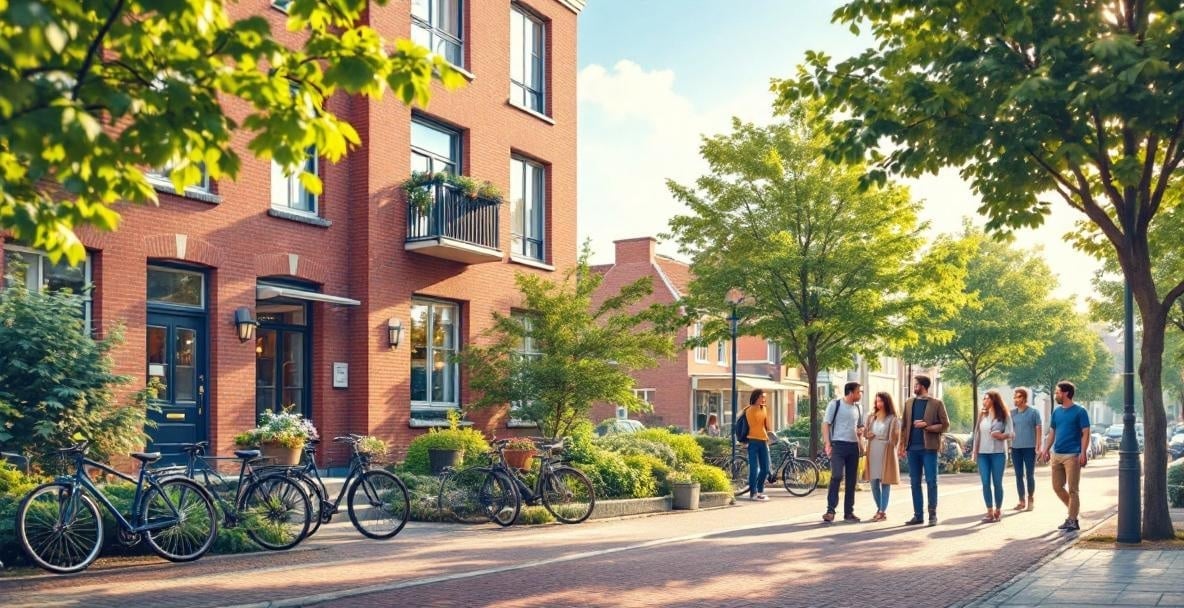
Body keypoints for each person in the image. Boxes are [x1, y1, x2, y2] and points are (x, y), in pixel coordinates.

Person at [1039, 380, 1090, 532]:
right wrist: (1046, 449)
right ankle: (1073, 512)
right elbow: (1052, 432)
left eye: (1057, 392)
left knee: (1073, 489)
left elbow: (1086, 432)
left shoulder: (1080, 411)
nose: (1056, 394)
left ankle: (1072, 519)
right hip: (1057, 454)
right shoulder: (1057, 412)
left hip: (1072, 455)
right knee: (1057, 487)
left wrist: (1083, 452)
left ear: (1066, 393)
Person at [899, 374, 950, 526]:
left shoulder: (936, 403)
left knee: (931, 481)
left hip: (929, 448)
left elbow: (945, 424)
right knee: (914, 482)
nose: (914, 387)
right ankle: (918, 515)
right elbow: (903, 426)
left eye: (915, 385)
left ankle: (932, 515)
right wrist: (901, 445)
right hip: (912, 449)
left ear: (922, 386)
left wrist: (926, 426)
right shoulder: (909, 403)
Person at [822, 382, 865, 523]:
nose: (860, 394)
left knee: (851, 481)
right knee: (837, 475)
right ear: (851, 392)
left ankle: (849, 513)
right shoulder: (835, 405)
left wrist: (861, 434)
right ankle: (830, 510)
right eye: (859, 392)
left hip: (853, 446)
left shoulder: (858, 408)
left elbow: (860, 426)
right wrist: (828, 443)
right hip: (838, 445)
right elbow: (826, 424)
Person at [973, 390, 1015, 523]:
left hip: (998, 454)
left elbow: (1011, 433)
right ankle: (989, 512)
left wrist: (1002, 436)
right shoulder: (982, 414)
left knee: (997, 483)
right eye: (984, 399)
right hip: (982, 454)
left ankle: (998, 510)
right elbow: (977, 434)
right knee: (985, 483)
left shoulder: (1004, 415)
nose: (984, 401)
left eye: (987, 399)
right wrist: (975, 452)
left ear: (993, 400)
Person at [861, 391, 900, 522]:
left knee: (885, 482)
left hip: (886, 450)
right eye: (877, 401)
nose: (879, 404)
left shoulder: (893, 418)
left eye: (881, 401)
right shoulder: (872, 417)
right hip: (873, 449)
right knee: (873, 482)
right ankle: (880, 509)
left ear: (887, 402)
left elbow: (896, 437)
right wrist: (867, 434)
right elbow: (865, 432)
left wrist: (896, 434)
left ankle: (882, 511)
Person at [1010, 387, 1042, 511]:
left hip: (1030, 447)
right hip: (1015, 448)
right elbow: (1009, 428)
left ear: (1024, 398)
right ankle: (1021, 501)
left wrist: (1038, 445)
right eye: (1014, 397)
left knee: (1029, 474)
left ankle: (1031, 498)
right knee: (1018, 475)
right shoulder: (1012, 413)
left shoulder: (1034, 412)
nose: (1015, 399)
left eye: (1018, 397)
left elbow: (1038, 428)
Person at [743, 389, 776, 501]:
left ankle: (760, 491)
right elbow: (750, 425)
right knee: (753, 469)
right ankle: (753, 493)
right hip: (752, 441)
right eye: (762, 396)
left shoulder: (765, 409)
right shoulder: (748, 410)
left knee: (765, 468)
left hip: (763, 441)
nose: (764, 399)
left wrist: (771, 436)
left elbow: (767, 426)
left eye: (764, 397)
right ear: (757, 397)